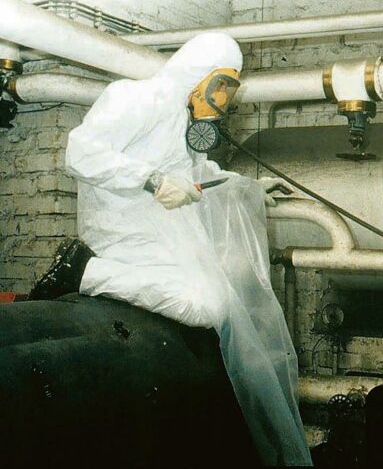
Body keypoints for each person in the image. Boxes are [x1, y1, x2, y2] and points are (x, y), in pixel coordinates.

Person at [34, 32, 312, 466]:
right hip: (122, 229)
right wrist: (152, 180)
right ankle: (84, 271)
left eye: (230, 89)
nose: (223, 98)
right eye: (221, 84)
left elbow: (195, 174)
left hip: (162, 228)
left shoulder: (181, 117)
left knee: (233, 291)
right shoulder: (134, 97)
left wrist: (252, 187)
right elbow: (81, 154)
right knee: (206, 305)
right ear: (196, 73)